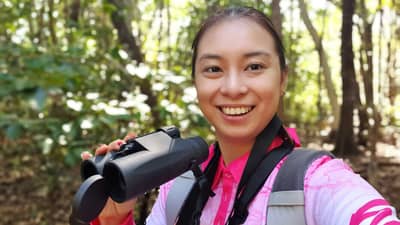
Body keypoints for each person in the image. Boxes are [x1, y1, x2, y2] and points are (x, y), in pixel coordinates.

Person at [81, 6, 400, 225]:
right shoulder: (177, 188)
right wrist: (114, 218)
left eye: (254, 67)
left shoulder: (319, 184)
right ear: (196, 82)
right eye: (213, 69)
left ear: (283, 79)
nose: (233, 87)